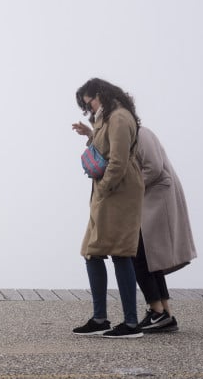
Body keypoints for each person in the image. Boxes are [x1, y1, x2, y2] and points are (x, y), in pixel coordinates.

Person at [75, 121, 198, 332]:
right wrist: (91, 135)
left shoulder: (142, 134)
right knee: (151, 256)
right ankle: (163, 313)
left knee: (138, 254)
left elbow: (154, 168)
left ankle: (158, 312)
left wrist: (129, 186)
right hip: (148, 199)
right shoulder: (133, 134)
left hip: (156, 198)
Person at [71, 78, 145, 338]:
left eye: (89, 100)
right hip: (108, 192)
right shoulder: (107, 119)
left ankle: (131, 323)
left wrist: (104, 189)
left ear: (99, 94)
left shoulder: (119, 118)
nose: (88, 106)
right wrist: (90, 134)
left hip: (119, 192)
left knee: (120, 252)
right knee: (92, 251)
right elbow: (108, 148)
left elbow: (118, 161)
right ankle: (100, 318)